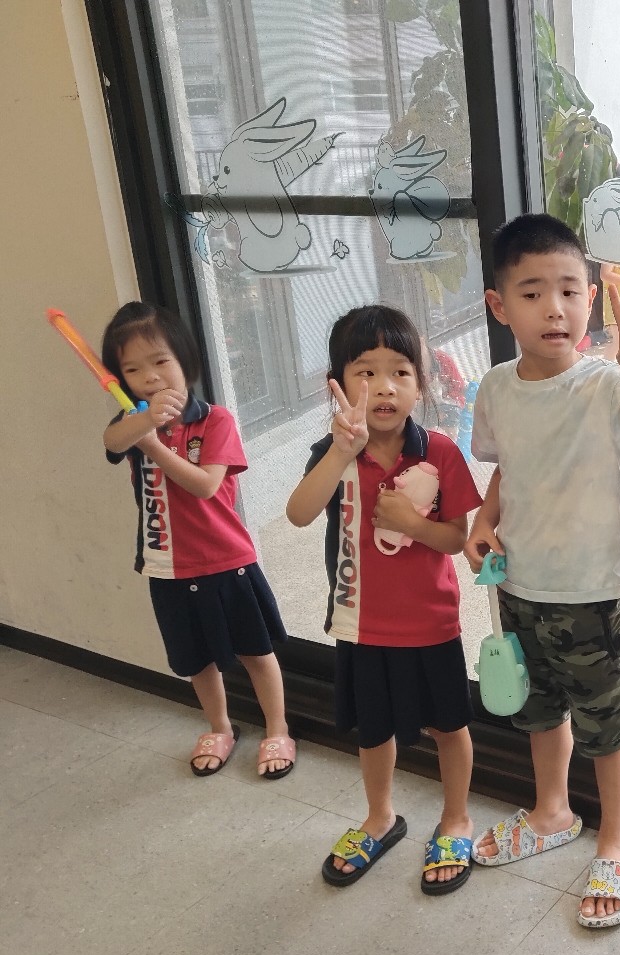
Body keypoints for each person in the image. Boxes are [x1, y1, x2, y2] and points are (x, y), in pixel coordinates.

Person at [465, 213, 620, 927]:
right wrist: (484, 520)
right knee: (539, 710)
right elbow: (506, 468)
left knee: (607, 727)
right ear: (500, 306)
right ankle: (551, 810)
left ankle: (617, 838)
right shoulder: (496, 389)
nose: (553, 308)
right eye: (532, 293)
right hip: (519, 585)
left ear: (591, 297)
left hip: (593, 592)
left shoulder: (607, 386)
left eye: (568, 290)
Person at [286, 306, 482, 892]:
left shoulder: (439, 451)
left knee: (450, 726)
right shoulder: (333, 454)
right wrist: (340, 453)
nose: (384, 387)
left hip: (431, 624)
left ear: (421, 384)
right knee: (373, 731)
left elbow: (456, 538)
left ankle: (457, 817)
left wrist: (413, 524)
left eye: (400, 371)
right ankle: (379, 816)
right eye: (365, 372)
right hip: (361, 624)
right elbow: (298, 513)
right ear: (338, 385)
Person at [101, 302, 293, 780]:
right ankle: (220, 727)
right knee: (196, 660)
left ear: (185, 360)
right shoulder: (133, 422)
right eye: (132, 369)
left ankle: (278, 728)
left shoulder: (215, 420)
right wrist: (143, 426)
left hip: (226, 560)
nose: (149, 377)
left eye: (160, 361)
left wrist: (151, 444)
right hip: (166, 565)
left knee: (256, 651)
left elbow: (206, 485)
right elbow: (112, 441)